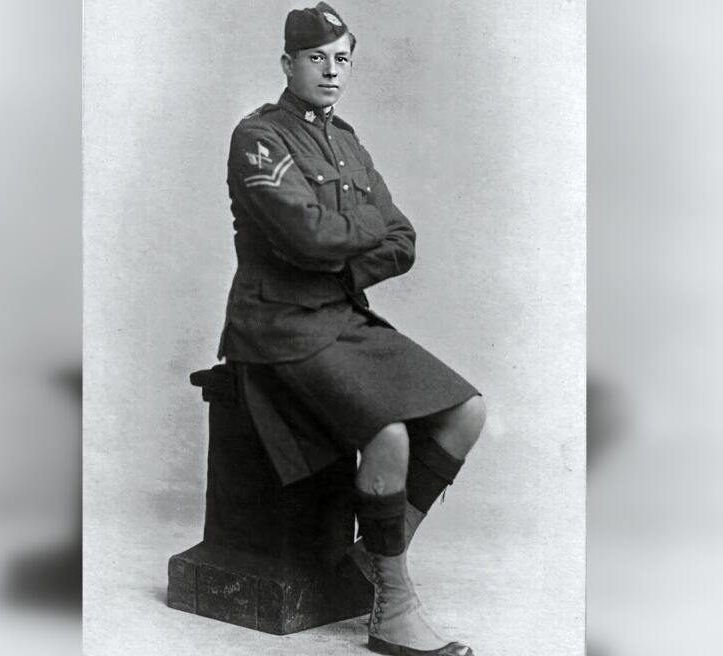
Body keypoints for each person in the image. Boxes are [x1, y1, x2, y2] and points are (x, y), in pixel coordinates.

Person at [218, 4, 486, 655]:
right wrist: (350, 235)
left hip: (340, 316)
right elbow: (307, 236)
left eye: (343, 59)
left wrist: (334, 243)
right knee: (388, 434)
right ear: (289, 63)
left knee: (467, 412)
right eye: (317, 58)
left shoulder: (348, 140)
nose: (332, 71)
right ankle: (392, 612)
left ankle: (372, 560)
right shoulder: (259, 137)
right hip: (275, 323)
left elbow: (403, 243)